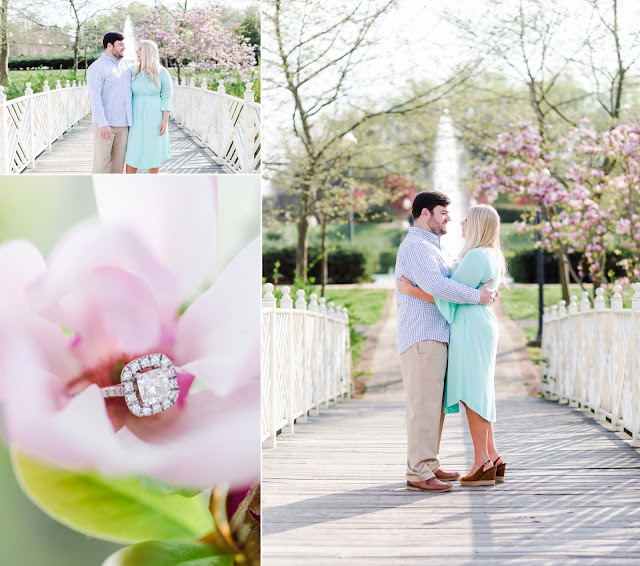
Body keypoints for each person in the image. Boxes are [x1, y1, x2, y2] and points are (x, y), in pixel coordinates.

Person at [394, 191, 498, 493]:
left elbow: (447, 284)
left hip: (436, 335)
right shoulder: (416, 246)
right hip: (421, 336)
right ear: (425, 213)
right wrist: (478, 296)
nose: (449, 218)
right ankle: (418, 472)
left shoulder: (432, 247)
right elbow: (439, 286)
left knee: (432, 406)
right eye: (443, 212)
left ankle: (430, 463)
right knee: (422, 406)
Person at [87, 32, 133, 174]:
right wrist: (103, 123)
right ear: (109, 45)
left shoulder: (124, 66)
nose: (124, 48)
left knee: (118, 167)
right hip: (105, 125)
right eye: (120, 45)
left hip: (123, 125)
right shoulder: (97, 67)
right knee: (102, 166)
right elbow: (95, 98)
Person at [125, 40, 173, 174]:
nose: (136, 52)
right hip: (135, 116)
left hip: (154, 117)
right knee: (133, 150)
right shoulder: (131, 70)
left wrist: (165, 120)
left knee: (153, 148)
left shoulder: (162, 72)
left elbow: (166, 97)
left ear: (147, 52)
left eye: (140, 49)